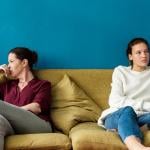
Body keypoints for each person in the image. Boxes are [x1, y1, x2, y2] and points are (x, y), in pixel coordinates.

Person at [98, 37, 150, 150]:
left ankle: (126, 129)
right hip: (119, 115)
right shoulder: (120, 71)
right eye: (138, 52)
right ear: (130, 56)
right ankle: (137, 147)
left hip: (143, 117)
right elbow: (114, 100)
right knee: (127, 110)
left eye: (146, 51)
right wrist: (147, 105)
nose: (144, 55)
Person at [0, 47, 52, 149]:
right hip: (13, 126)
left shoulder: (42, 85)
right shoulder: (7, 86)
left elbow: (36, 107)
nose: (8, 66)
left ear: (24, 63)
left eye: (11, 61)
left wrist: (11, 112)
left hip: (38, 125)